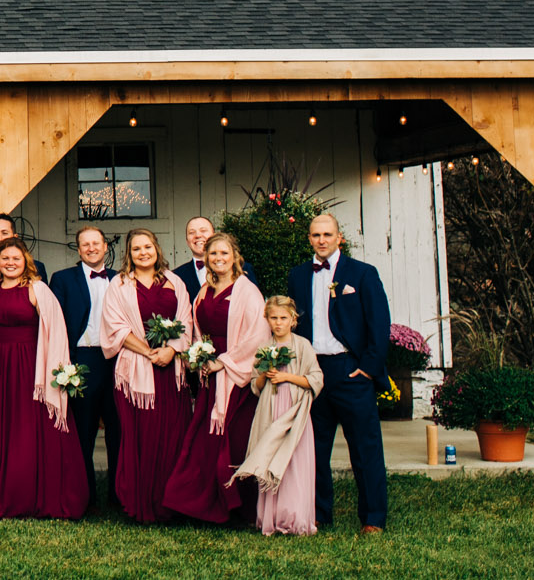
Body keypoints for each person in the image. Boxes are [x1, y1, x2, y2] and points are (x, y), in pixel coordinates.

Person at [287, 212, 390, 533]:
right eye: (316, 235)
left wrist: (367, 369)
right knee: (313, 449)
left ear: (338, 237)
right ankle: (319, 512)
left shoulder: (362, 274)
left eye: (327, 235)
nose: (321, 240)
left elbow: (379, 324)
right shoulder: (298, 276)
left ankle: (373, 517)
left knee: (365, 448)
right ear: (309, 239)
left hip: (350, 370)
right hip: (314, 373)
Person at [0, 238, 86, 521]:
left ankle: (36, 496)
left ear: (26, 262)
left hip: (30, 368)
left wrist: (56, 374)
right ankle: (8, 497)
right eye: (5, 258)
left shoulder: (37, 290)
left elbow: (57, 330)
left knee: (29, 430)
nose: (10, 262)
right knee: (5, 430)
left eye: (16, 258)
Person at [160, 232, 268, 524]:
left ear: (235, 256)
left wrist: (224, 362)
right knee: (204, 442)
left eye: (224, 253)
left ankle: (237, 509)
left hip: (236, 378)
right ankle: (203, 505)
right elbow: (196, 331)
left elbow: (257, 336)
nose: (218, 259)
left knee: (234, 441)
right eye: (213, 254)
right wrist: (200, 357)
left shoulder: (247, 291)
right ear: (205, 258)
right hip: (210, 376)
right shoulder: (204, 290)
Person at [101, 227, 196, 524]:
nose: (143, 252)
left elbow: (186, 320)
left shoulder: (175, 282)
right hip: (135, 372)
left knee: (173, 436)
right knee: (139, 437)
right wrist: (147, 351)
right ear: (129, 254)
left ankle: (172, 504)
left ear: (157, 248)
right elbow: (114, 326)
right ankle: (140, 503)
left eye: (148, 247)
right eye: (137, 249)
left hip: (170, 372)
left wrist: (171, 350)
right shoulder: (119, 284)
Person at [230, 294, 324, 535]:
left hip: (294, 410)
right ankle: (271, 518)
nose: (278, 323)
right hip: (271, 408)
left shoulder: (302, 345)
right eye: (273, 318)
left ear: (293, 320)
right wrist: (265, 374)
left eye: (283, 318)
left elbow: (316, 379)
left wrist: (287, 377)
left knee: (294, 461)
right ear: (267, 319)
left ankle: (294, 517)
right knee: (271, 456)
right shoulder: (264, 348)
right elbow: (255, 385)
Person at [46, 224, 120, 513]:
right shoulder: (62, 279)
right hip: (82, 360)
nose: (91, 248)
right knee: (84, 434)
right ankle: (84, 498)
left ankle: (118, 497)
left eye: (96, 243)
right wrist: (65, 364)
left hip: (116, 361)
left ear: (105, 247)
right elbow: (57, 324)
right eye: (85, 244)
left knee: (118, 431)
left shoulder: (120, 278)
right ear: (78, 250)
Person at [177, 215, 255, 298]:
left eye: (203, 230)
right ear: (187, 241)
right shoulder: (178, 276)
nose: (198, 235)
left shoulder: (243, 269)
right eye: (191, 232)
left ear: (214, 235)